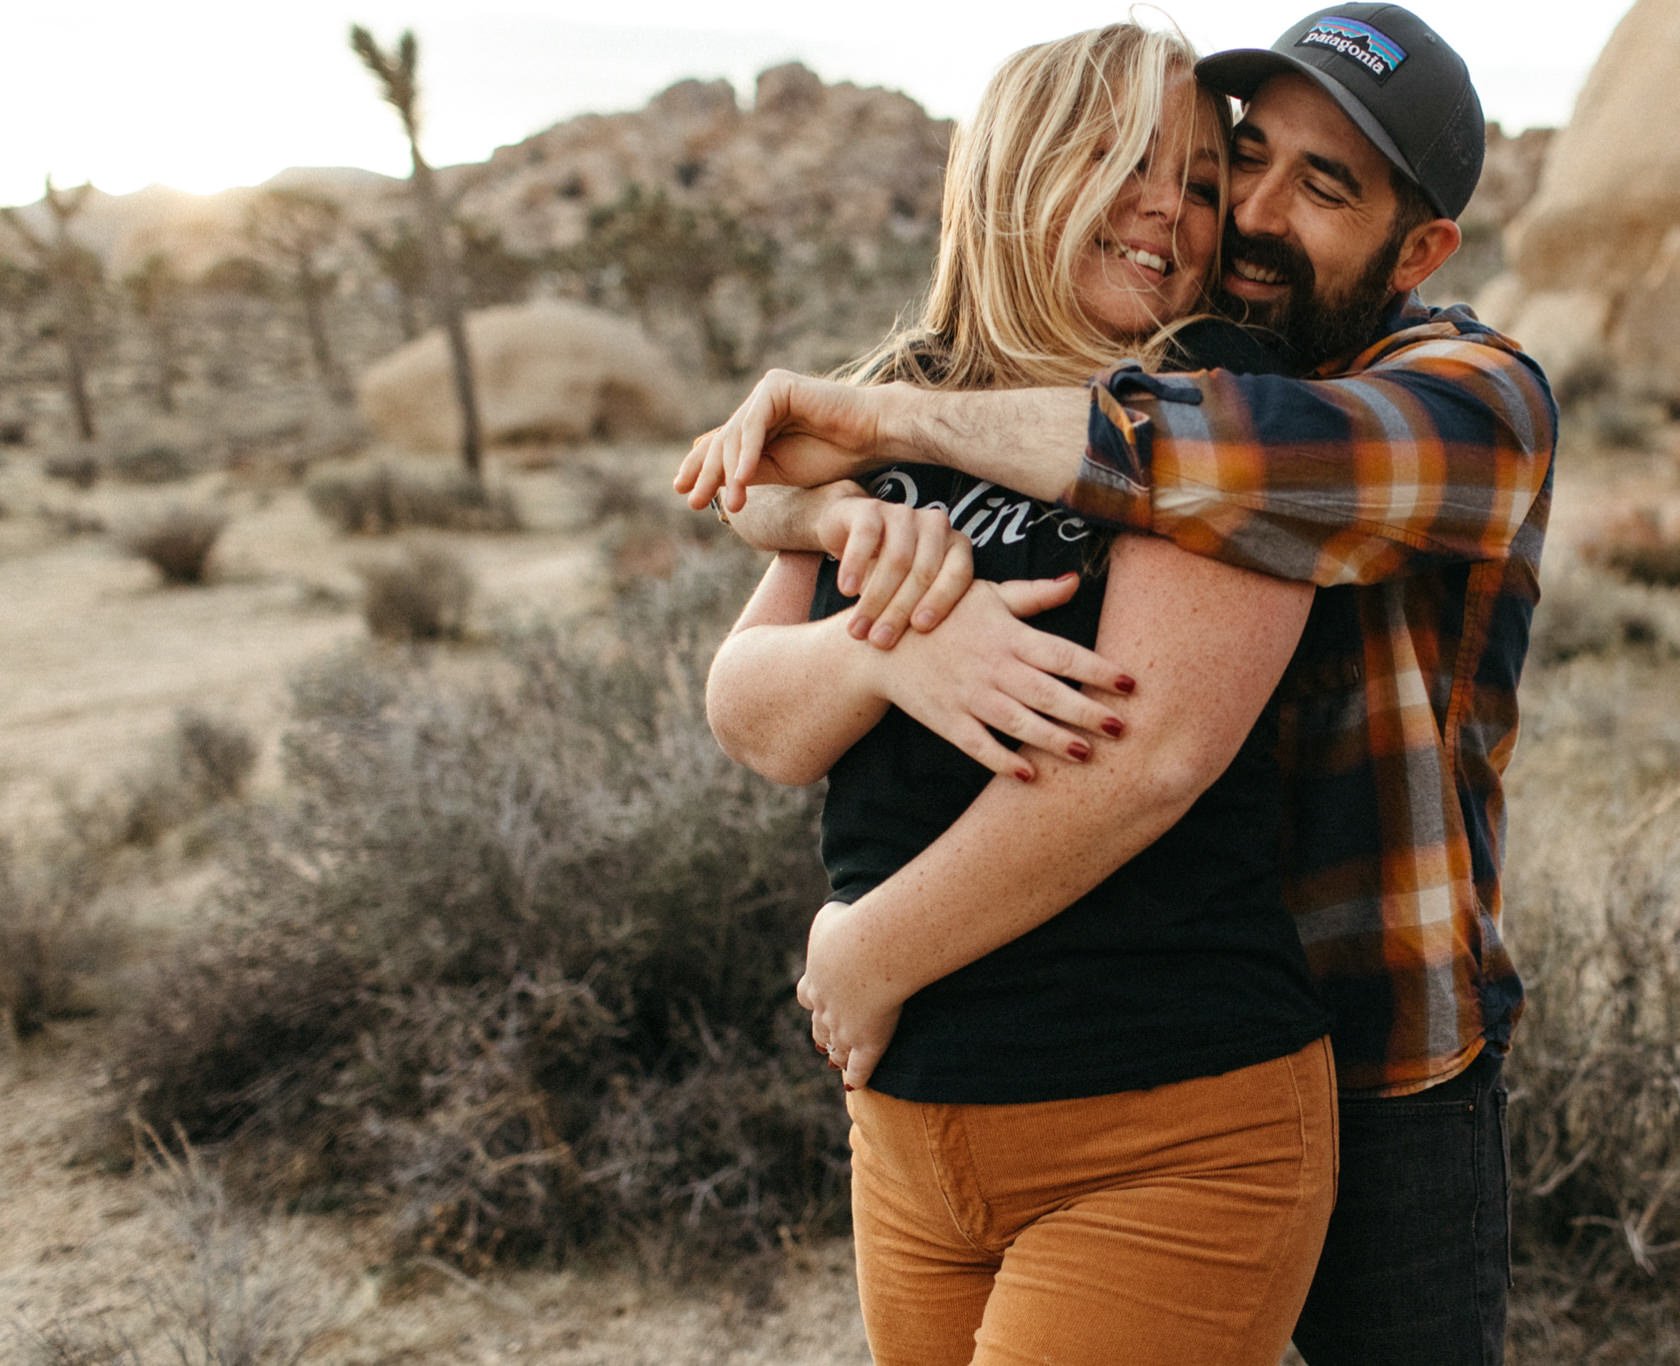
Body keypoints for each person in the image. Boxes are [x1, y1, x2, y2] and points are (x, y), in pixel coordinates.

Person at [681, 7, 1559, 1363]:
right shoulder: (980, 398)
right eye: (1240, 162)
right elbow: (755, 689)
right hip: (954, 1089)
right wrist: (865, 583)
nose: (1242, 214)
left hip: (1356, 1050)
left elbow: (1186, 605)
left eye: (1319, 187)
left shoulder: (1435, 397)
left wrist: (865, 948)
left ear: (1421, 246)